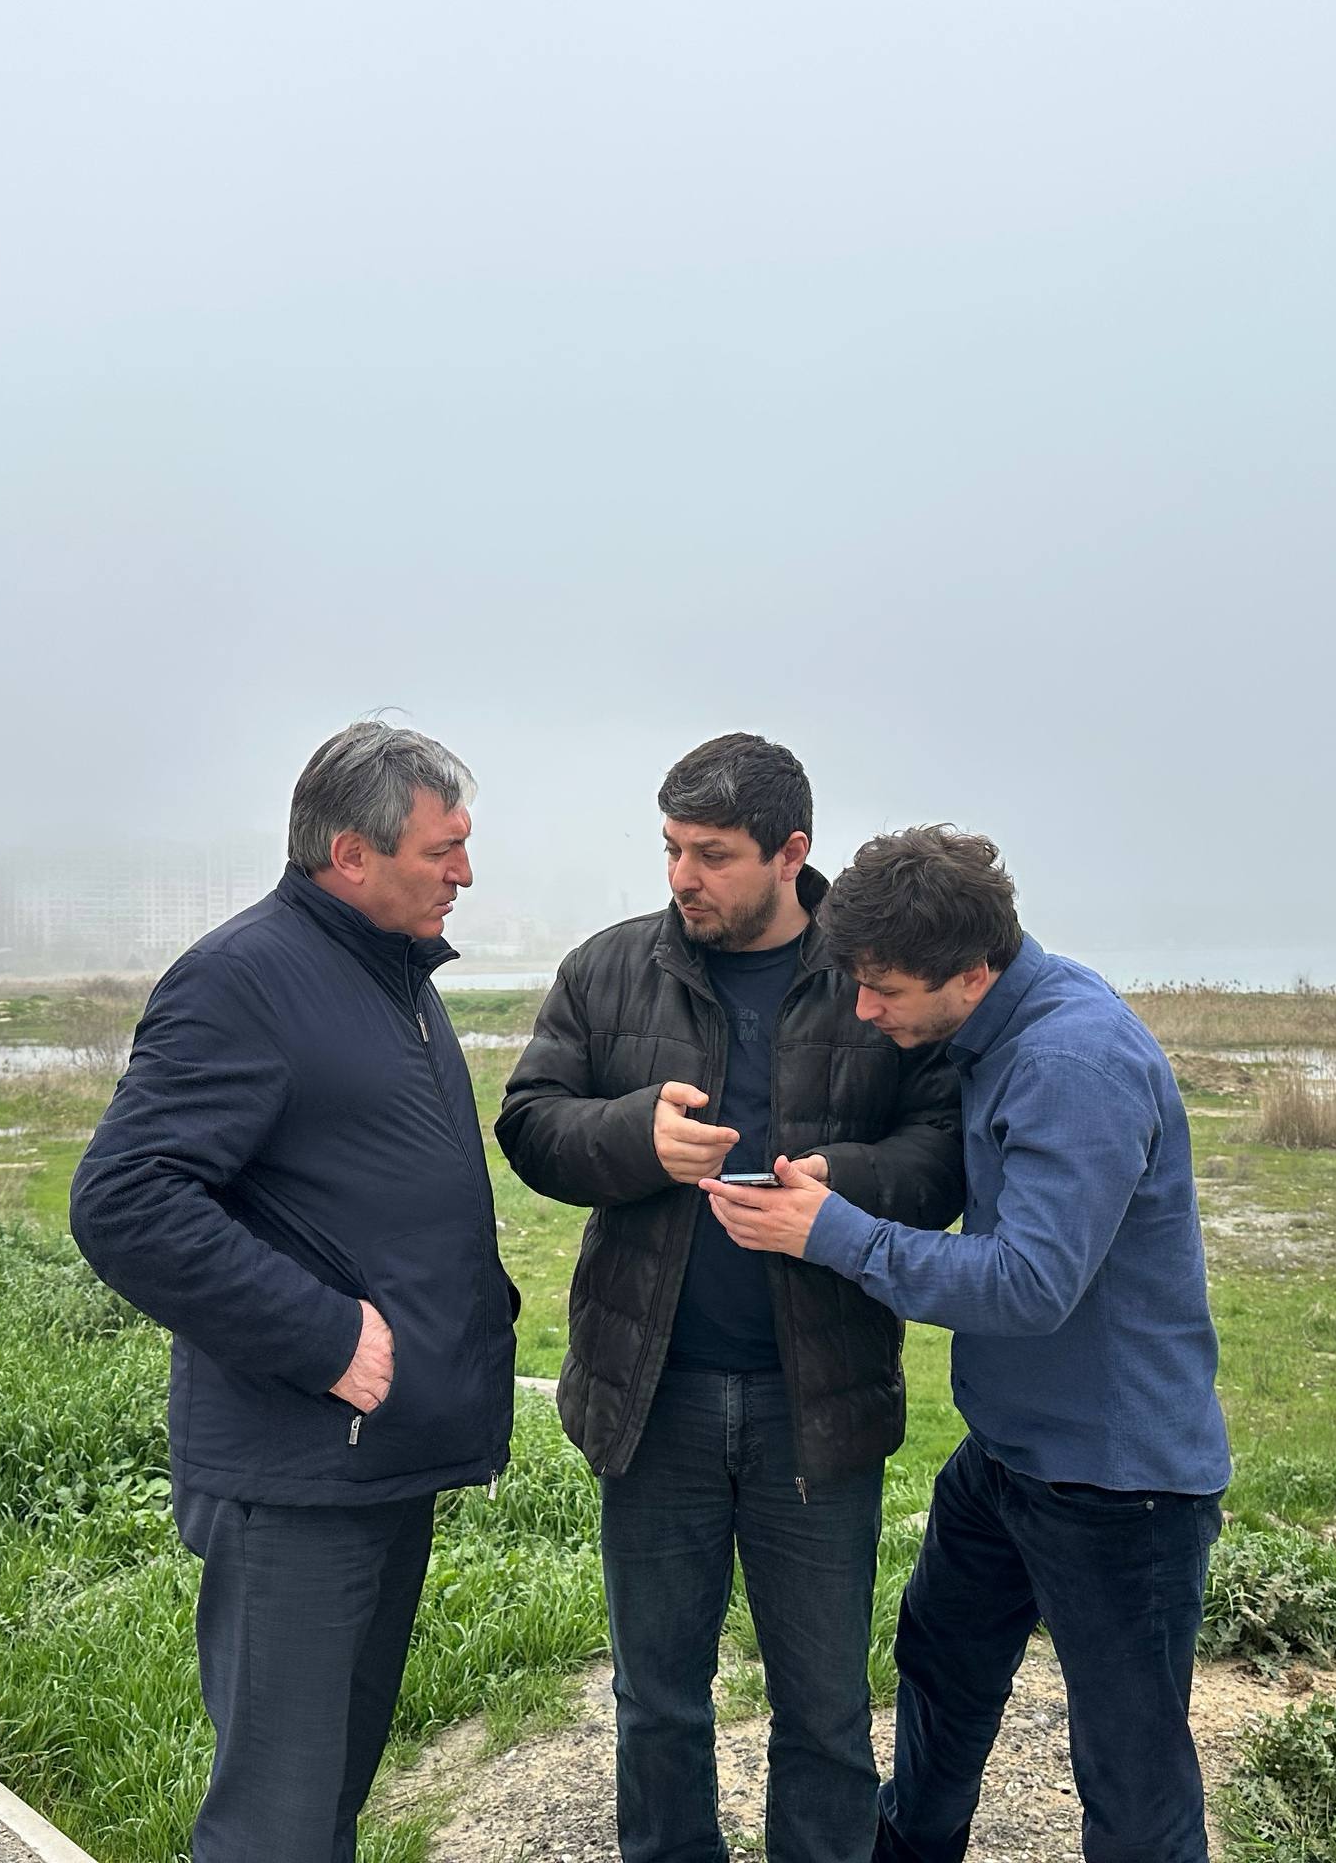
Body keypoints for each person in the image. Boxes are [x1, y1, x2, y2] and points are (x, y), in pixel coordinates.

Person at [703, 826, 1230, 1863]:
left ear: (973, 973)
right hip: (1008, 1457)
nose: (864, 1011)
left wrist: (832, 1232)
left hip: (1119, 1485)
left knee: (1132, 1782)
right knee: (940, 1668)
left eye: (885, 990)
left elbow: (1030, 1285)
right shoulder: (1000, 1029)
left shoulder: (1072, 1061)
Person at [495, 734, 964, 1863]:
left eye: (711, 855)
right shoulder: (608, 969)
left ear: (791, 854)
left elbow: (946, 1152)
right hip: (651, 1399)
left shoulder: (871, 977)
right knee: (657, 1705)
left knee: (826, 1713)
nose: (682, 877)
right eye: (671, 849)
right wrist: (635, 1138)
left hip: (820, 1401)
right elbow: (528, 1123)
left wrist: (839, 1185)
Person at [69, 721, 517, 1863]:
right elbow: (125, 1200)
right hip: (296, 1475)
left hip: (377, 1461)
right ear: (350, 855)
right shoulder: (245, 979)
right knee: (275, 1820)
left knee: (328, 1805)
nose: (465, 873)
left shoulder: (391, 971)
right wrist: (323, 1337)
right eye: (443, 850)